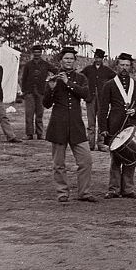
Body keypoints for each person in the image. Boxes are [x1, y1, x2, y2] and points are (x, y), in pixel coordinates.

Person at [42, 47, 95, 202]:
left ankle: (84, 193)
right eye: (66, 58)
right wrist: (51, 89)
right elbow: (46, 104)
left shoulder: (81, 78)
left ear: (75, 61)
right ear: (61, 61)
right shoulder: (53, 78)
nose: (69, 61)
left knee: (86, 160)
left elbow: (86, 95)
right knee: (58, 163)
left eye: (71, 59)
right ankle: (62, 193)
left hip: (76, 126)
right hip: (58, 126)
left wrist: (67, 82)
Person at [99, 52, 136, 199]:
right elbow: (102, 109)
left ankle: (128, 189)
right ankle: (114, 189)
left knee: (130, 157)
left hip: (132, 126)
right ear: (117, 66)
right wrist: (103, 128)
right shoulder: (109, 85)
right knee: (115, 158)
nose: (124, 68)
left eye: (127, 65)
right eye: (122, 65)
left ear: (131, 66)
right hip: (115, 125)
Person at [81, 49, 114, 151]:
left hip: (102, 99)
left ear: (102, 59)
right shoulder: (87, 69)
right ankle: (90, 144)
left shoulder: (107, 71)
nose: (97, 60)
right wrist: (84, 91)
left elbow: (116, 79)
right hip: (90, 99)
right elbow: (80, 78)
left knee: (101, 121)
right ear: (94, 58)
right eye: (96, 57)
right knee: (91, 123)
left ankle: (101, 144)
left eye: (99, 58)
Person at [20, 43, 53, 139]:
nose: (37, 54)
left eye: (39, 52)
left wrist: (51, 80)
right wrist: (24, 91)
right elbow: (24, 78)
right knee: (29, 114)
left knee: (39, 114)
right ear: (33, 53)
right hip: (29, 92)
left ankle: (39, 134)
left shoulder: (45, 64)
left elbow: (56, 71)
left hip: (41, 92)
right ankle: (29, 134)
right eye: (35, 52)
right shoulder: (28, 65)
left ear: (41, 53)